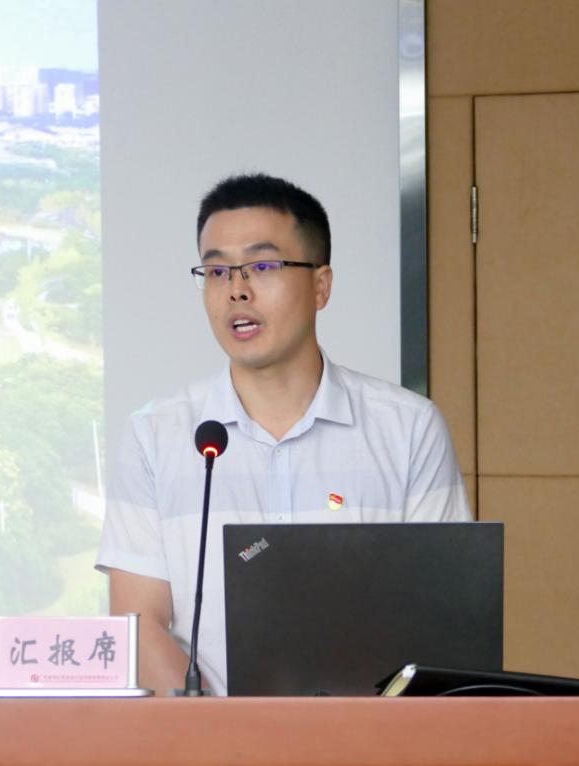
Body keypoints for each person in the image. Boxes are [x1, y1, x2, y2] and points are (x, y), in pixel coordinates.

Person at [95, 173, 470, 695]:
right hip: (206, 737)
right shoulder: (156, 436)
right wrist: (220, 734)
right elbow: (139, 626)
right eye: (216, 270)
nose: (237, 289)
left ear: (321, 286)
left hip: (369, 736)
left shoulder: (408, 429)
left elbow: (442, 615)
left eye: (264, 266)